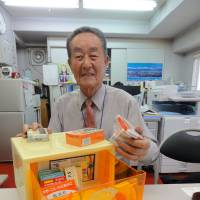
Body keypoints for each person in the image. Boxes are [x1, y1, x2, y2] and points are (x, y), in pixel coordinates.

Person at [23, 26, 158, 164]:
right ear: (70, 64)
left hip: (115, 180)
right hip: (73, 179)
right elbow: (52, 149)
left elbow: (153, 154)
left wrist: (144, 148)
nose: (87, 64)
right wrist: (36, 141)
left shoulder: (126, 102)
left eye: (93, 56)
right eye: (79, 57)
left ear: (106, 62)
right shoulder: (61, 104)